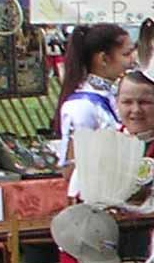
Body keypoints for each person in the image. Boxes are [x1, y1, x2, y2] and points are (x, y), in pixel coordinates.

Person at [55, 23, 135, 164]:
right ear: (103, 59)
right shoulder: (81, 106)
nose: (133, 60)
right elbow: (71, 167)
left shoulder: (116, 95)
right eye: (126, 54)